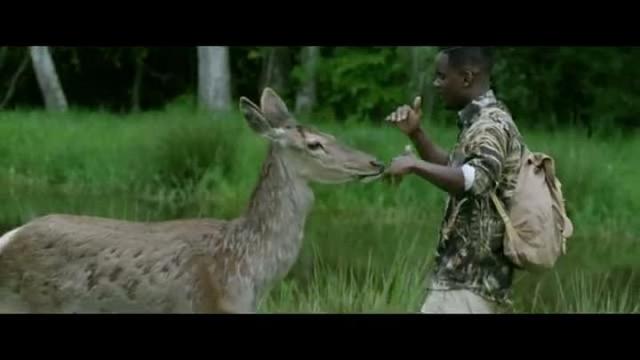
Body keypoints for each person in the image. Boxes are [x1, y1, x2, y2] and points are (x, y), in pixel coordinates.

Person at [384, 46, 524, 313]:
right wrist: (417, 134)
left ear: (467, 78)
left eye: (441, 76)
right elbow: (456, 168)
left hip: (469, 285)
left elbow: (475, 178)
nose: (436, 84)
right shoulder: (482, 121)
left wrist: (414, 164)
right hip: (462, 283)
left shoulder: (491, 125)